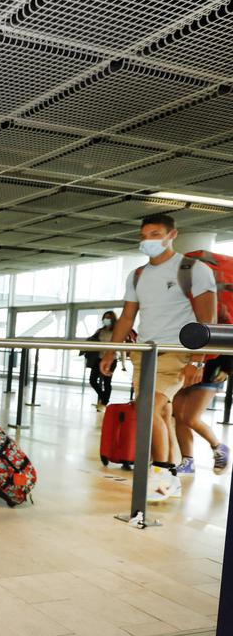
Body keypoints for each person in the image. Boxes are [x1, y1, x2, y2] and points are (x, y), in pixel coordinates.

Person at [100, 214, 216, 502]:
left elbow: (207, 319)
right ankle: (171, 476)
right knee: (160, 413)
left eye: (155, 234)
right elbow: (127, 317)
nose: (148, 240)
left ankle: (162, 472)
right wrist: (110, 352)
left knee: (147, 407)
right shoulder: (138, 274)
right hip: (145, 353)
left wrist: (198, 361)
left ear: (171, 235)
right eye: (144, 235)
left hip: (178, 351)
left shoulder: (193, 269)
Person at [173, 358, 230, 475]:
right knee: (179, 418)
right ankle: (188, 461)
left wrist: (227, 368)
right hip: (182, 368)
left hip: (210, 372)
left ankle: (218, 447)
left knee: (191, 418)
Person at [86, 310, 118, 411]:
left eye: (109, 317)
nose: (106, 319)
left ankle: (104, 403)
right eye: (105, 317)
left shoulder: (116, 332)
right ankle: (104, 398)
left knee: (107, 382)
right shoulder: (100, 331)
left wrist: (124, 365)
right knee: (92, 380)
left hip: (111, 360)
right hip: (99, 358)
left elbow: (121, 346)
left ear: (113, 319)